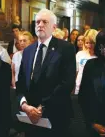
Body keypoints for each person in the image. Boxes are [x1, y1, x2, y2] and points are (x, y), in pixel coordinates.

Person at [16, 8, 76, 137]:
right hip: (30, 116)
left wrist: (42, 107)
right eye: (37, 22)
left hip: (55, 115)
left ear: (54, 27)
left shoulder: (66, 48)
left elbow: (66, 83)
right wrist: (24, 105)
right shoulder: (28, 51)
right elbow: (20, 82)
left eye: (44, 22)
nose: (40, 25)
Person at [74, 30, 98, 95]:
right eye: (87, 43)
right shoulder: (80, 54)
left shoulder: (99, 57)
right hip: (77, 88)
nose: (89, 45)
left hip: (93, 90)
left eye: (92, 43)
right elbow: (76, 72)